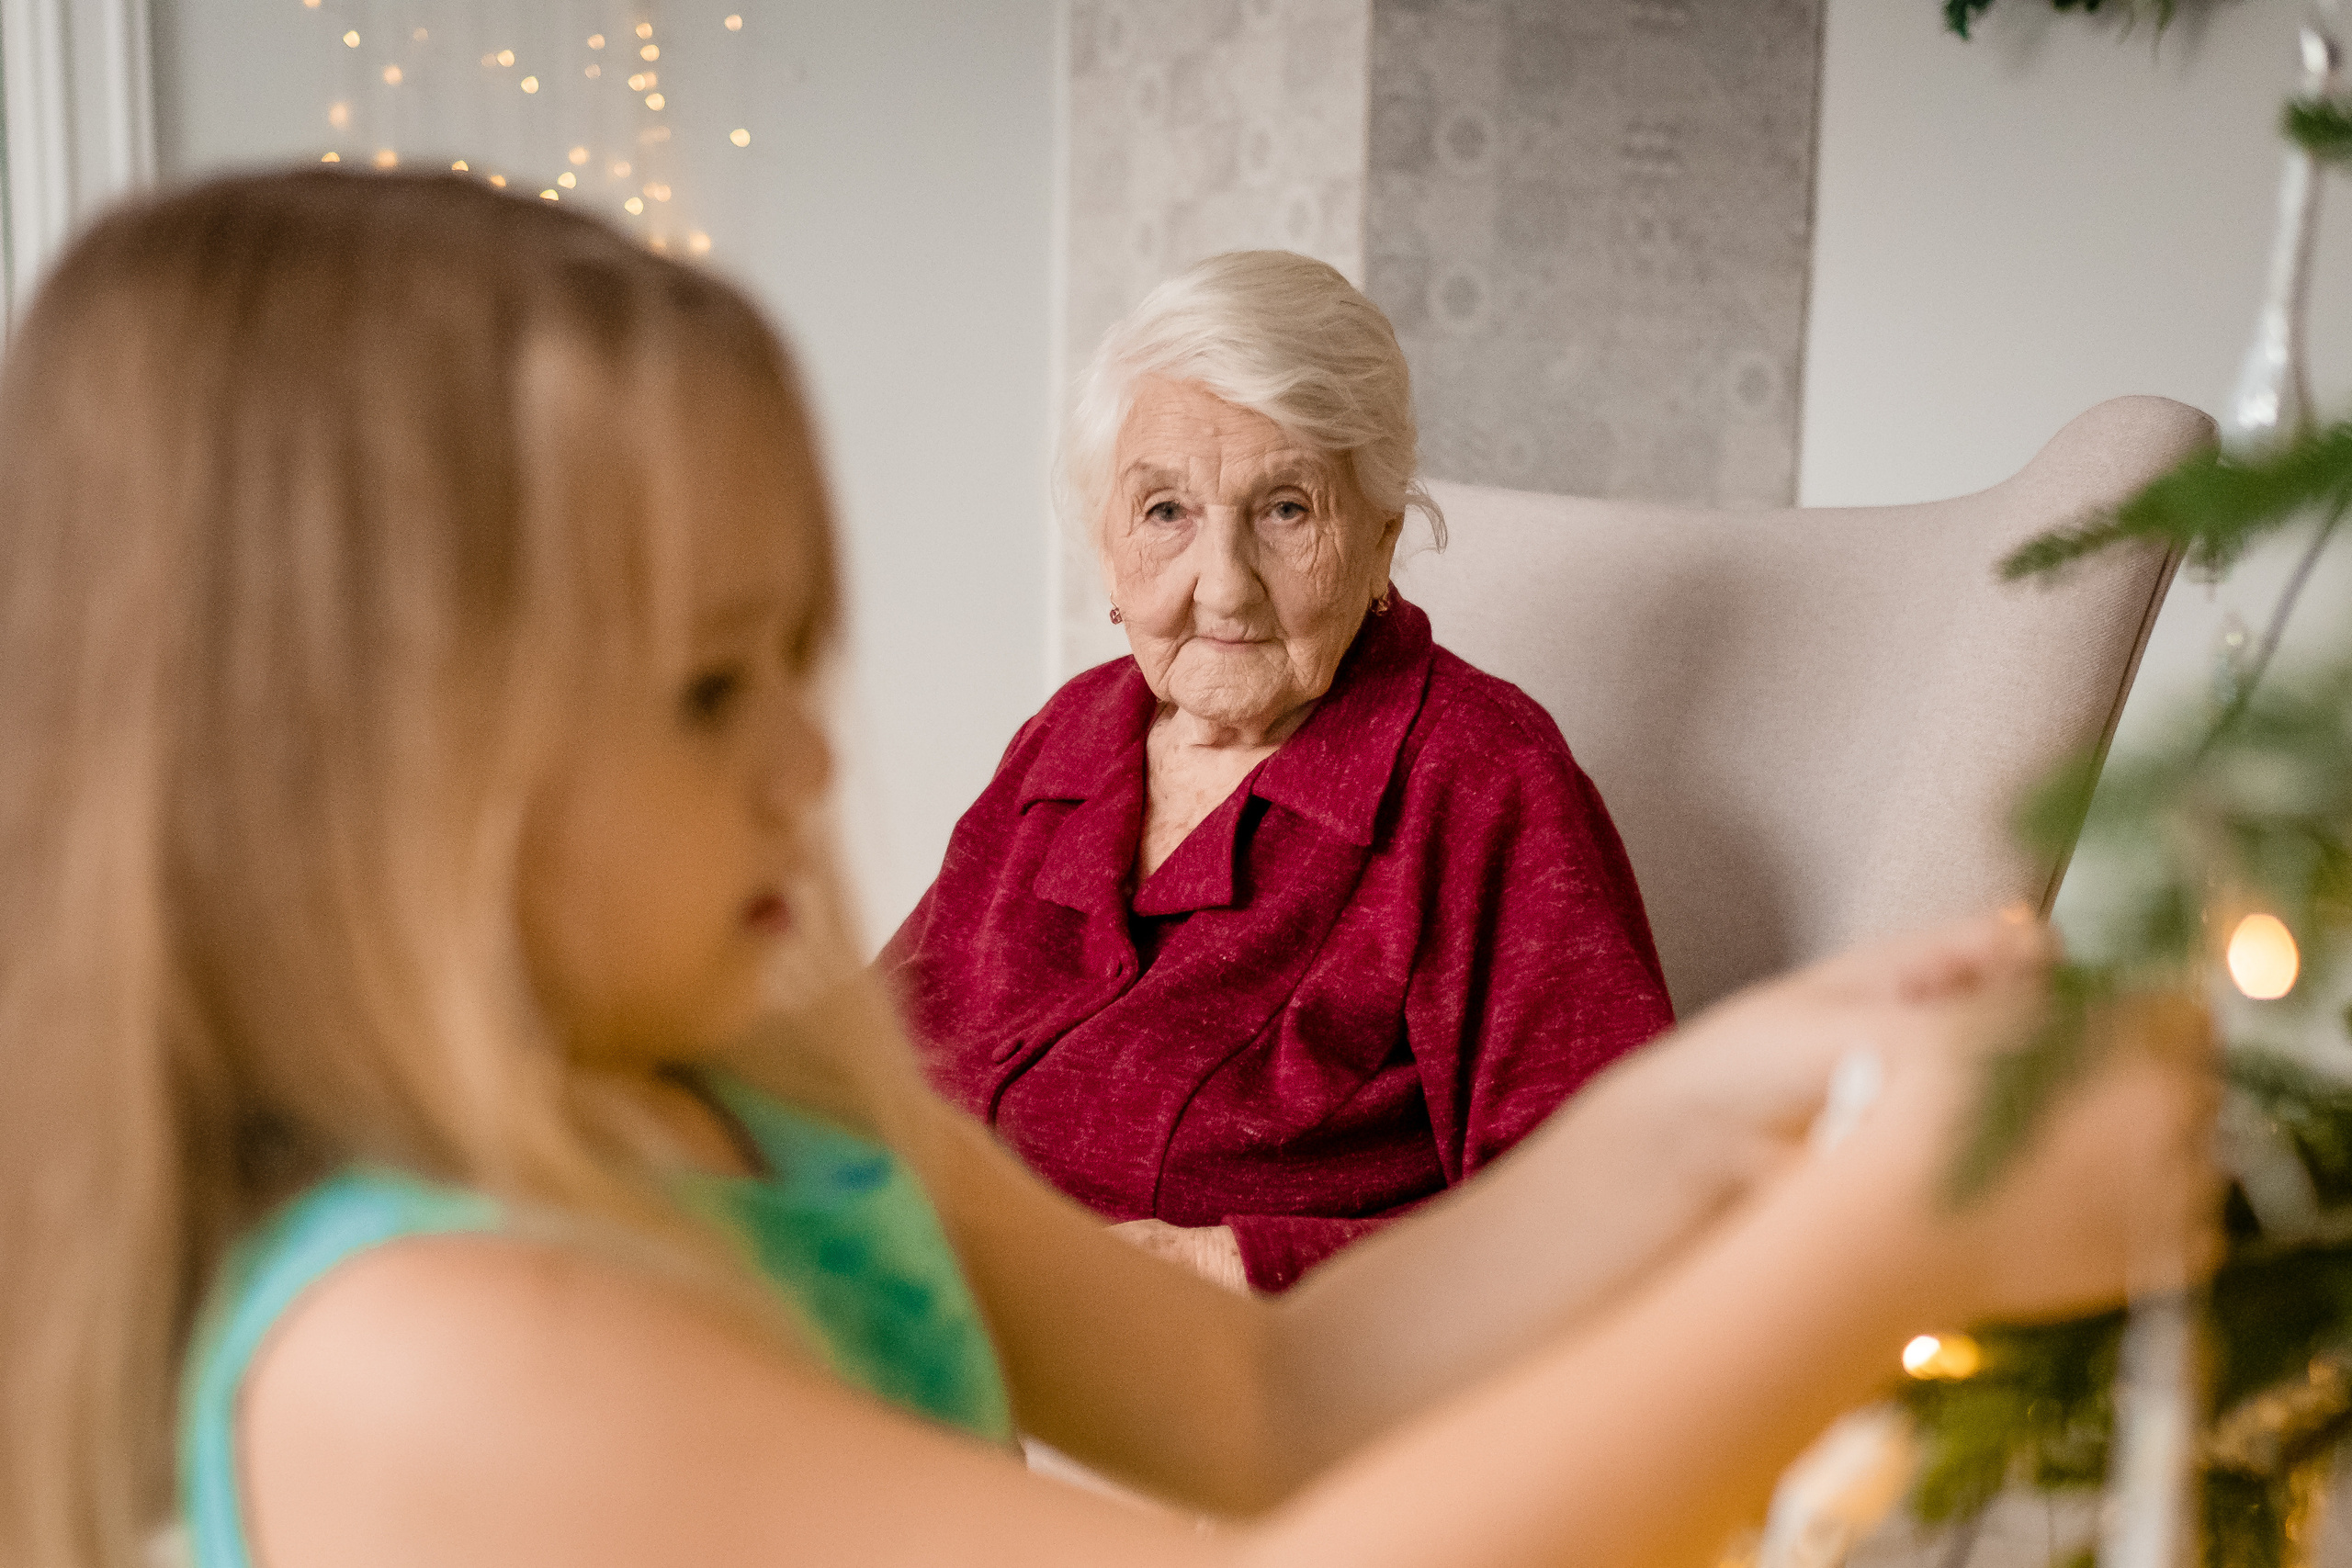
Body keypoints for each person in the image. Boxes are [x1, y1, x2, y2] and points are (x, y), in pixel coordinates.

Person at [0, 171, 2213, 1568]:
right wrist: (1858, 1251)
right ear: (360, 775)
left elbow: (1279, 1402)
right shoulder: (420, 1337)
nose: (808, 749)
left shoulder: (764, 1074)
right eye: (701, 689)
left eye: (802, 653)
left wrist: (1721, 1104)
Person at [884, 251, 1674, 1292]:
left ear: (1382, 535)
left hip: (1226, 1395)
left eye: (1286, 509)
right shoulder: (1071, 735)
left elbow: (1617, 1202)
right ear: (1106, 541)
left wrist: (1229, 1262)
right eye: (1165, 511)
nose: (1222, 587)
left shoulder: (1481, 780)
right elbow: (876, 1043)